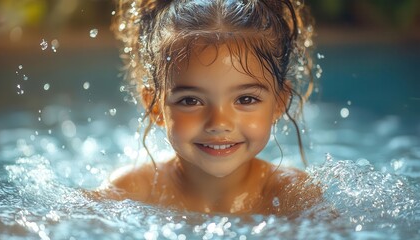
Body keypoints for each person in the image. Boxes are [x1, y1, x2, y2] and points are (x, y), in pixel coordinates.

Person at [103, 0, 321, 217]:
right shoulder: (130, 191)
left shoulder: (293, 195)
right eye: (190, 101)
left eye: (245, 99)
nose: (219, 124)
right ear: (156, 107)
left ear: (279, 102)